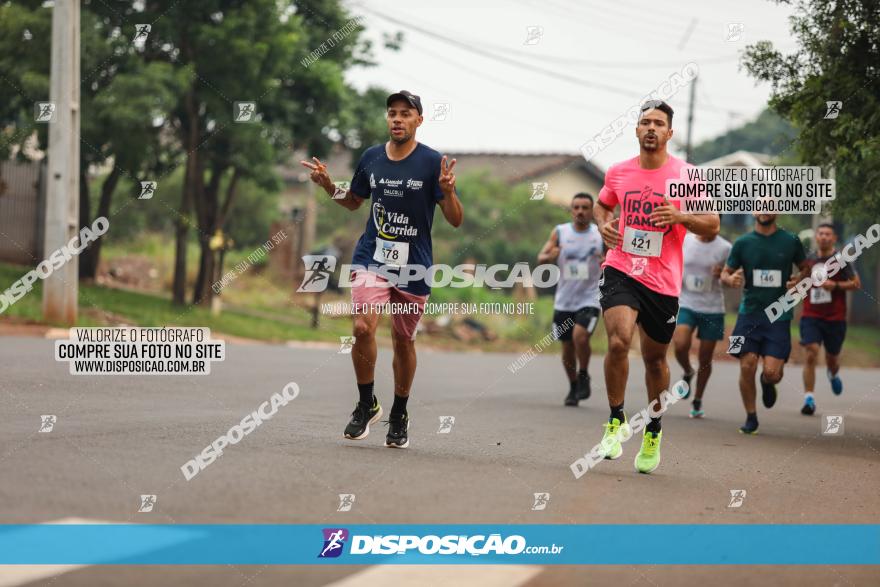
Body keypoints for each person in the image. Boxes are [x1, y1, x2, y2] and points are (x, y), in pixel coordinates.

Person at [300, 90, 463, 448]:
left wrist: (449, 193)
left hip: (414, 266)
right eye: (392, 113)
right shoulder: (372, 158)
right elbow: (354, 201)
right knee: (361, 327)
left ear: (419, 120)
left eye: (406, 113)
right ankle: (366, 403)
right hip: (371, 257)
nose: (397, 119)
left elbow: (454, 220)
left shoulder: (432, 162)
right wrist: (329, 185)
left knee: (404, 340)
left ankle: (400, 411)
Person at [593, 100, 720, 473]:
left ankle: (653, 428)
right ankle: (615, 420)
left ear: (669, 133)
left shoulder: (687, 175)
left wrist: (680, 216)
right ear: (636, 130)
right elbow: (603, 205)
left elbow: (712, 224)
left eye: (658, 123)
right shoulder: (617, 173)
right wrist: (604, 224)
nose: (651, 128)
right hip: (621, 268)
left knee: (654, 359)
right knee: (618, 340)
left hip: (662, 280)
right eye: (645, 122)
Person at [720, 213, 808, 434]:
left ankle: (768, 382)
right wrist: (730, 280)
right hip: (748, 313)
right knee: (746, 364)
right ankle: (751, 417)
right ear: (754, 211)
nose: (765, 210)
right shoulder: (742, 243)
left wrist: (798, 280)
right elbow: (725, 273)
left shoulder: (791, 241)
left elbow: (805, 268)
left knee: (771, 373)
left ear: (777, 210)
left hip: (779, 314)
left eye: (770, 205)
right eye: (761, 205)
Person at [537, 193, 604, 406]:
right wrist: (550, 256)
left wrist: (606, 260)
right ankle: (574, 385)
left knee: (580, 337)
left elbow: (614, 258)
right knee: (567, 346)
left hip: (590, 297)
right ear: (571, 210)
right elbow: (541, 258)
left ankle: (583, 373)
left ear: (592, 211)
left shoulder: (599, 234)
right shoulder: (560, 232)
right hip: (564, 299)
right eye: (576, 207)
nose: (580, 211)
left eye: (585, 207)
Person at [799, 223, 860, 415]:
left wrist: (835, 285)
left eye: (828, 234)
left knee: (832, 358)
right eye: (821, 234)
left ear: (834, 238)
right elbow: (800, 280)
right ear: (816, 237)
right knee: (811, 352)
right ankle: (809, 398)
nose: (824, 237)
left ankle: (832, 373)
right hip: (811, 315)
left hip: (835, 317)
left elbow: (856, 284)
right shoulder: (808, 260)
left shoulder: (842, 259)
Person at [673, 231, 732, 418]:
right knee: (680, 344)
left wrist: (724, 274)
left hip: (712, 307)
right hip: (686, 302)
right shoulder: (686, 239)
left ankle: (697, 400)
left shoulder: (725, 248)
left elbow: (733, 277)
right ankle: (688, 370)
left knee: (705, 358)